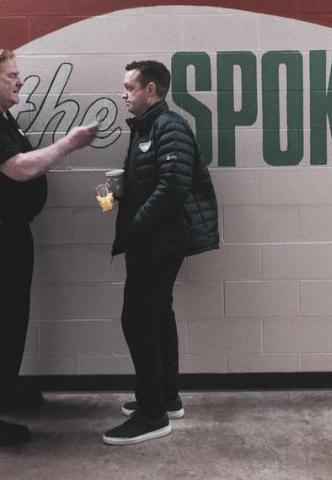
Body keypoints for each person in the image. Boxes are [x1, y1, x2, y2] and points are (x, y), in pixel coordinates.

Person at [0, 47, 101, 448]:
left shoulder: (0, 116)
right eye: (11, 75)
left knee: (13, 319)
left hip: (7, 233)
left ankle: (1, 393)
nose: (20, 81)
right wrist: (68, 144)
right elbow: (19, 168)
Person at [102, 60, 219, 445]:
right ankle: (165, 398)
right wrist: (118, 195)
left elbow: (173, 187)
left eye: (129, 87)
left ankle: (152, 414)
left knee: (139, 321)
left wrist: (135, 227)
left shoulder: (169, 127)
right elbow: (152, 181)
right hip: (151, 241)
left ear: (151, 90)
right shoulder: (146, 128)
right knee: (156, 316)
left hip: (158, 242)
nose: (124, 94)